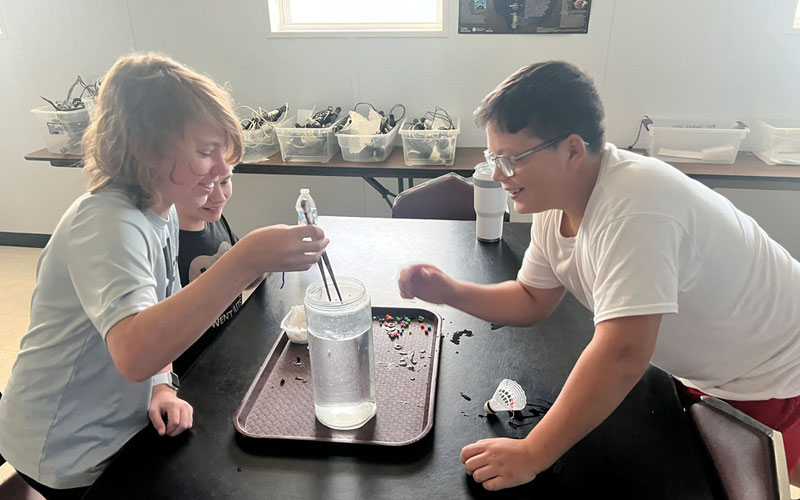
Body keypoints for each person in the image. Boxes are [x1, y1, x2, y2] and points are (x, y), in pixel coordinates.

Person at [398, 60, 800, 491]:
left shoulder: (636, 206)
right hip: (707, 374)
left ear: (572, 150)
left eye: (512, 160)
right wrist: (449, 291)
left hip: (773, 377)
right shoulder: (560, 203)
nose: (498, 175)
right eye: (493, 157)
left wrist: (532, 453)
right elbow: (531, 297)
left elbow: (623, 354)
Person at [0, 53, 328, 499]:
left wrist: (161, 386)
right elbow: (135, 351)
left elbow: (158, 319)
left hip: (120, 426)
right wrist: (244, 261)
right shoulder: (107, 223)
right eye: (205, 152)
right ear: (146, 151)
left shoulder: (162, 211)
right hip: (66, 443)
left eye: (223, 152)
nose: (224, 168)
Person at [173, 166, 261, 377]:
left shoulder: (216, 221)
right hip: (194, 373)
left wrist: (261, 261)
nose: (219, 196)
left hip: (230, 352)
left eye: (224, 182)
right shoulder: (167, 247)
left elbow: (243, 280)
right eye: (204, 185)